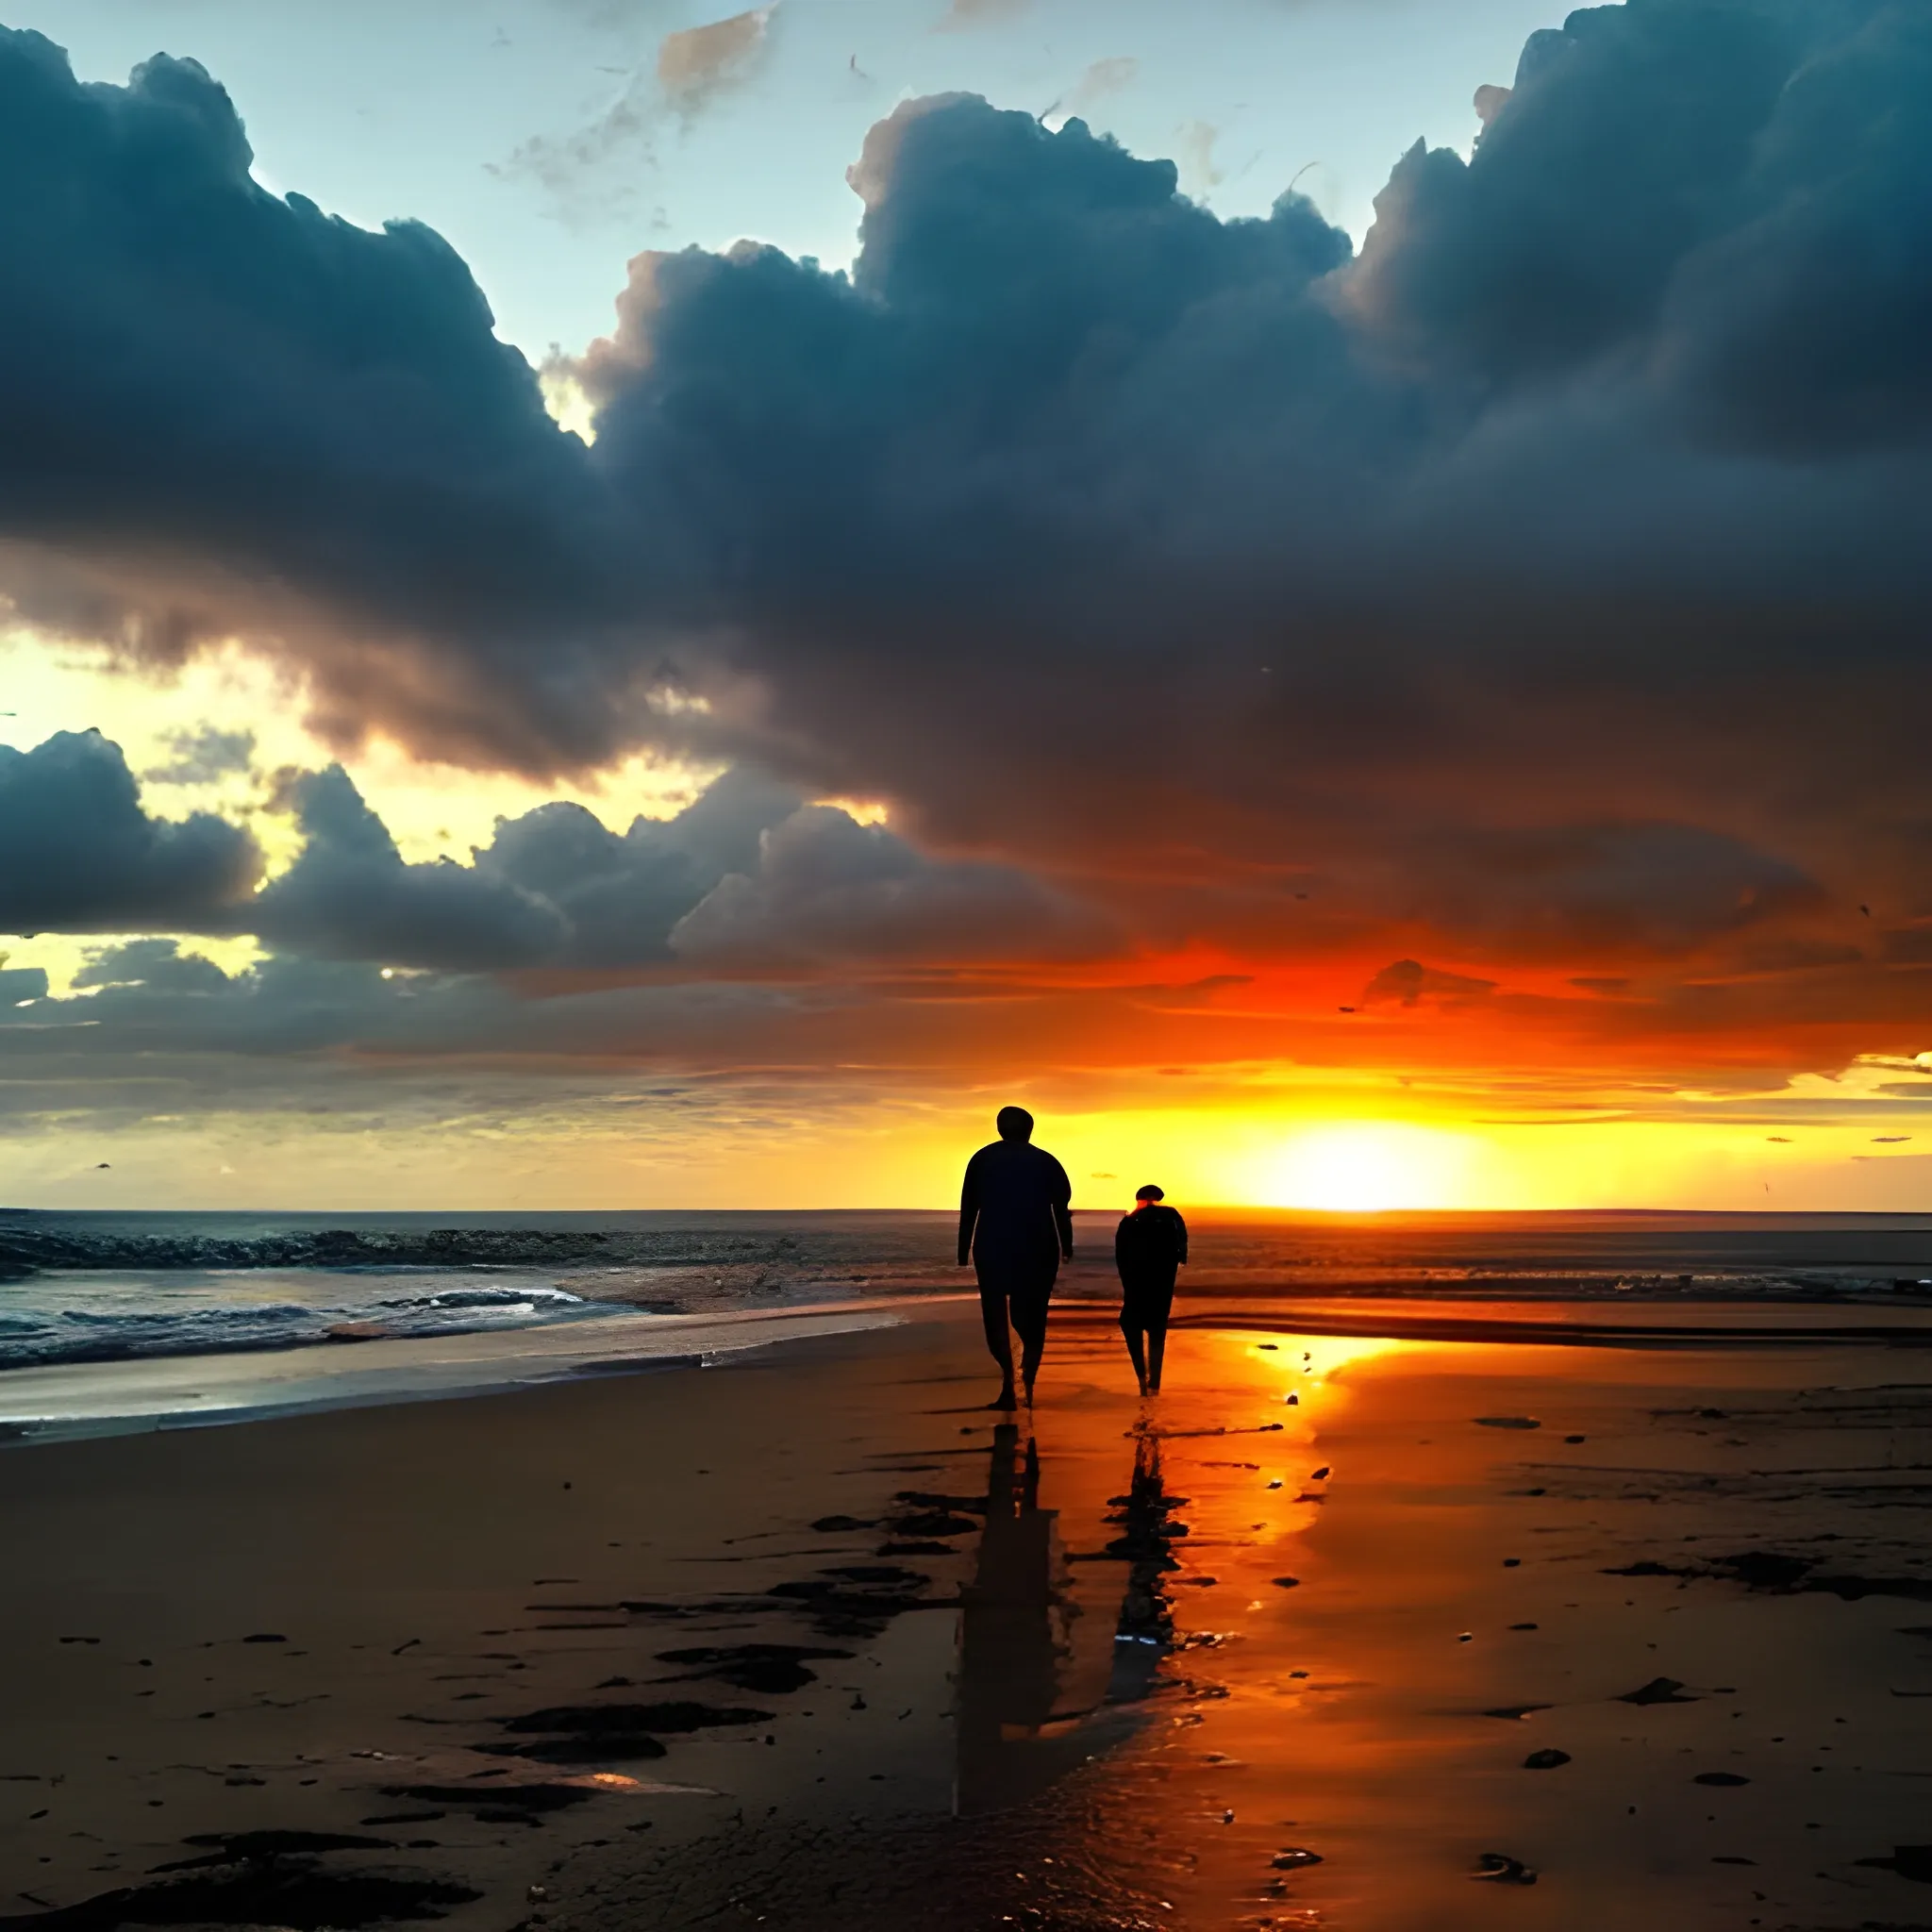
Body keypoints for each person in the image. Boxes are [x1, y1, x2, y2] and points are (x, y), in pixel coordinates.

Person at [958, 1106, 1074, 1409]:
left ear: (1000, 1129)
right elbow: (1061, 1209)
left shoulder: (982, 1159)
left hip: (993, 1248)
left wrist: (962, 1250)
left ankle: (1009, 1386)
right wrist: (1067, 1246)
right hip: (1038, 1247)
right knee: (1033, 1318)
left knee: (996, 1317)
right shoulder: (1047, 1161)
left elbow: (969, 1208)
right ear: (1030, 1129)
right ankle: (1028, 1385)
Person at [1115, 1184, 1187, 1394]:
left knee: (1131, 1326)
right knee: (1157, 1332)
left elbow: (1120, 1255)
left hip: (1137, 1286)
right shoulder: (1172, 1217)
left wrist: (1126, 1279)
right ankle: (1154, 1380)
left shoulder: (1131, 1221)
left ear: (1140, 1199)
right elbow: (1182, 1250)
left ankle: (1142, 1377)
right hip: (1161, 1286)